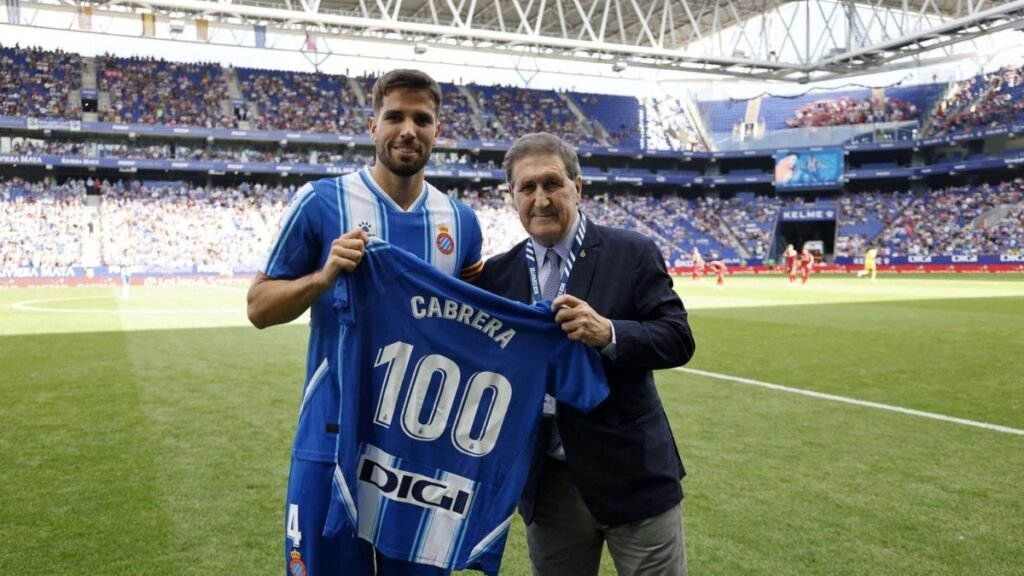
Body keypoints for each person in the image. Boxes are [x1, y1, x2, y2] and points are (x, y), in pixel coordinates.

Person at [247, 69, 484, 576]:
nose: (408, 129)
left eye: (422, 119)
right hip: (330, 437)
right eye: (395, 116)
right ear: (371, 125)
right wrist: (323, 277)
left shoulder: (460, 222)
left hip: (423, 453)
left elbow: (481, 320)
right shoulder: (321, 202)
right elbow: (258, 307)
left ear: (437, 131)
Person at [478, 133, 696, 576]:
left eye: (552, 183)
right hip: (549, 485)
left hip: (633, 477)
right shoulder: (497, 277)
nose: (540, 199)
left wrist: (609, 332)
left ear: (578, 187)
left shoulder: (631, 253)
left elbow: (678, 337)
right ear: (511, 197)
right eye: (527, 188)